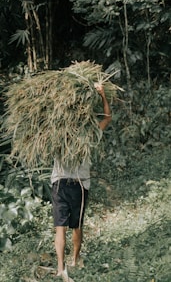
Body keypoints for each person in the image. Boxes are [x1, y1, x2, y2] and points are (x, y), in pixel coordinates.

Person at [51, 84, 111, 282]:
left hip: (59, 182)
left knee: (60, 227)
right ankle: (75, 261)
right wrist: (102, 95)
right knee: (76, 226)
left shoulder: (57, 134)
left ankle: (60, 267)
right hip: (79, 184)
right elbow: (107, 117)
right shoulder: (90, 133)